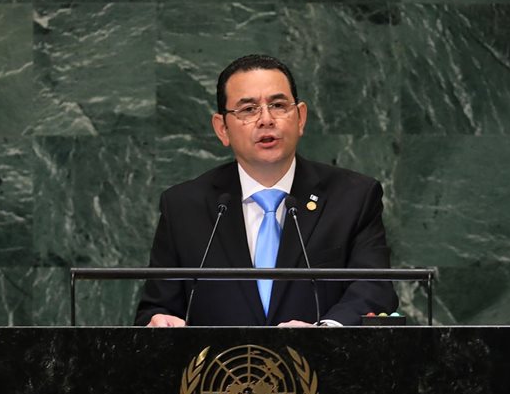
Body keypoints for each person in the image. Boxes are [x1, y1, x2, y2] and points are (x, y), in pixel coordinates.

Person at [134, 54, 398, 327]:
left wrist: (325, 334)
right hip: (219, 368)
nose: (266, 119)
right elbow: (156, 308)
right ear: (222, 128)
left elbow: (374, 288)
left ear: (300, 118)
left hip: (323, 365)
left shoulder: (354, 196)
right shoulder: (184, 206)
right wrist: (159, 322)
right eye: (248, 109)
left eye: (278, 105)